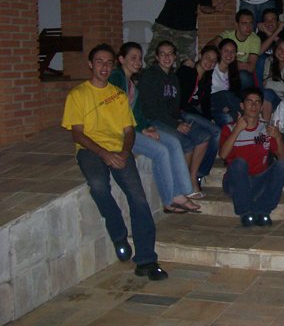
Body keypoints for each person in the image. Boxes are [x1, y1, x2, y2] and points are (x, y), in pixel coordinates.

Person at [61, 43, 168, 280]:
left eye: (109, 63)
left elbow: (128, 130)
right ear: (90, 64)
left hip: (119, 148)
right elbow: (77, 133)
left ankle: (146, 260)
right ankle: (118, 232)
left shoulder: (119, 95)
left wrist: (124, 152)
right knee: (98, 185)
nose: (104, 67)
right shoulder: (78, 95)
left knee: (138, 198)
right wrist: (104, 154)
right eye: (99, 62)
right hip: (90, 149)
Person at [110, 42, 200, 213]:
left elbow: (137, 111)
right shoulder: (116, 78)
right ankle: (169, 200)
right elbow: (117, 111)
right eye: (133, 58)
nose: (138, 62)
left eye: (139, 58)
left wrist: (147, 127)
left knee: (173, 142)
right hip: (121, 132)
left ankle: (182, 192)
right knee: (161, 151)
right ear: (121, 59)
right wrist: (142, 129)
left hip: (135, 127)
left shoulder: (131, 83)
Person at [138, 41, 211, 198]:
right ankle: (182, 186)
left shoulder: (173, 78)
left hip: (170, 120)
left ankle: (191, 178)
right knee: (186, 143)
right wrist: (175, 125)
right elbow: (151, 108)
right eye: (162, 54)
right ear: (157, 57)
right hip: (153, 120)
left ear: (175, 56)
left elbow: (175, 107)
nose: (167, 57)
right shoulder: (150, 76)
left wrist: (179, 121)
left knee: (203, 136)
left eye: (170, 53)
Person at [219, 87, 284, 227]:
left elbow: (282, 158)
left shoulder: (266, 129)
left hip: (258, 180)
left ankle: (262, 210)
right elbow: (223, 155)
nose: (253, 105)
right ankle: (245, 212)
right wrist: (237, 129)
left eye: (257, 102)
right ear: (242, 105)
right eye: (249, 101)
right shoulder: (230, 128)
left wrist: (278, 137)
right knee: (239, 163)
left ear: (261, 107)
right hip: (236, 182)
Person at [175, 44, 223, 187]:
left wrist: (208, 118)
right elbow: (181, 101)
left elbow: (206, 101)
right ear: (200, 56)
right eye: (207, 58)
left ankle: (198, 173)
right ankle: (200, 173)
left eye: (214, 61)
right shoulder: (188, 71)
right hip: (182, 111)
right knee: (217, 131)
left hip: (191, 112)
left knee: (210, 132)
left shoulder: (207, 77)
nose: (210, 62)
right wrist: (203, 119)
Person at [214, 9, 262, 89]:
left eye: (250, 23)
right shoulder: (227, 35)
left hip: (241, 73)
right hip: (225, 70)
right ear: (236, 25)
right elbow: (211, 45)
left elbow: (250, 67)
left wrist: (227, 62)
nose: (248, 27)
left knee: (243, 76)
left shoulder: (255, 39)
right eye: (244, 23)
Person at [206, 38, 243, 127]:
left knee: (227, 118)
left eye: (232, 52)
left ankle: (239, 122)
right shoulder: (212, 66)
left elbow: (234, 94)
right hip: (208, 100)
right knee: (225, 94)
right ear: (219, 51)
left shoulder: (233, 72)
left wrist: (225, 106)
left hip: (221, 105)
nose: (229, 54)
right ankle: (245, 118)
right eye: (226, 51)